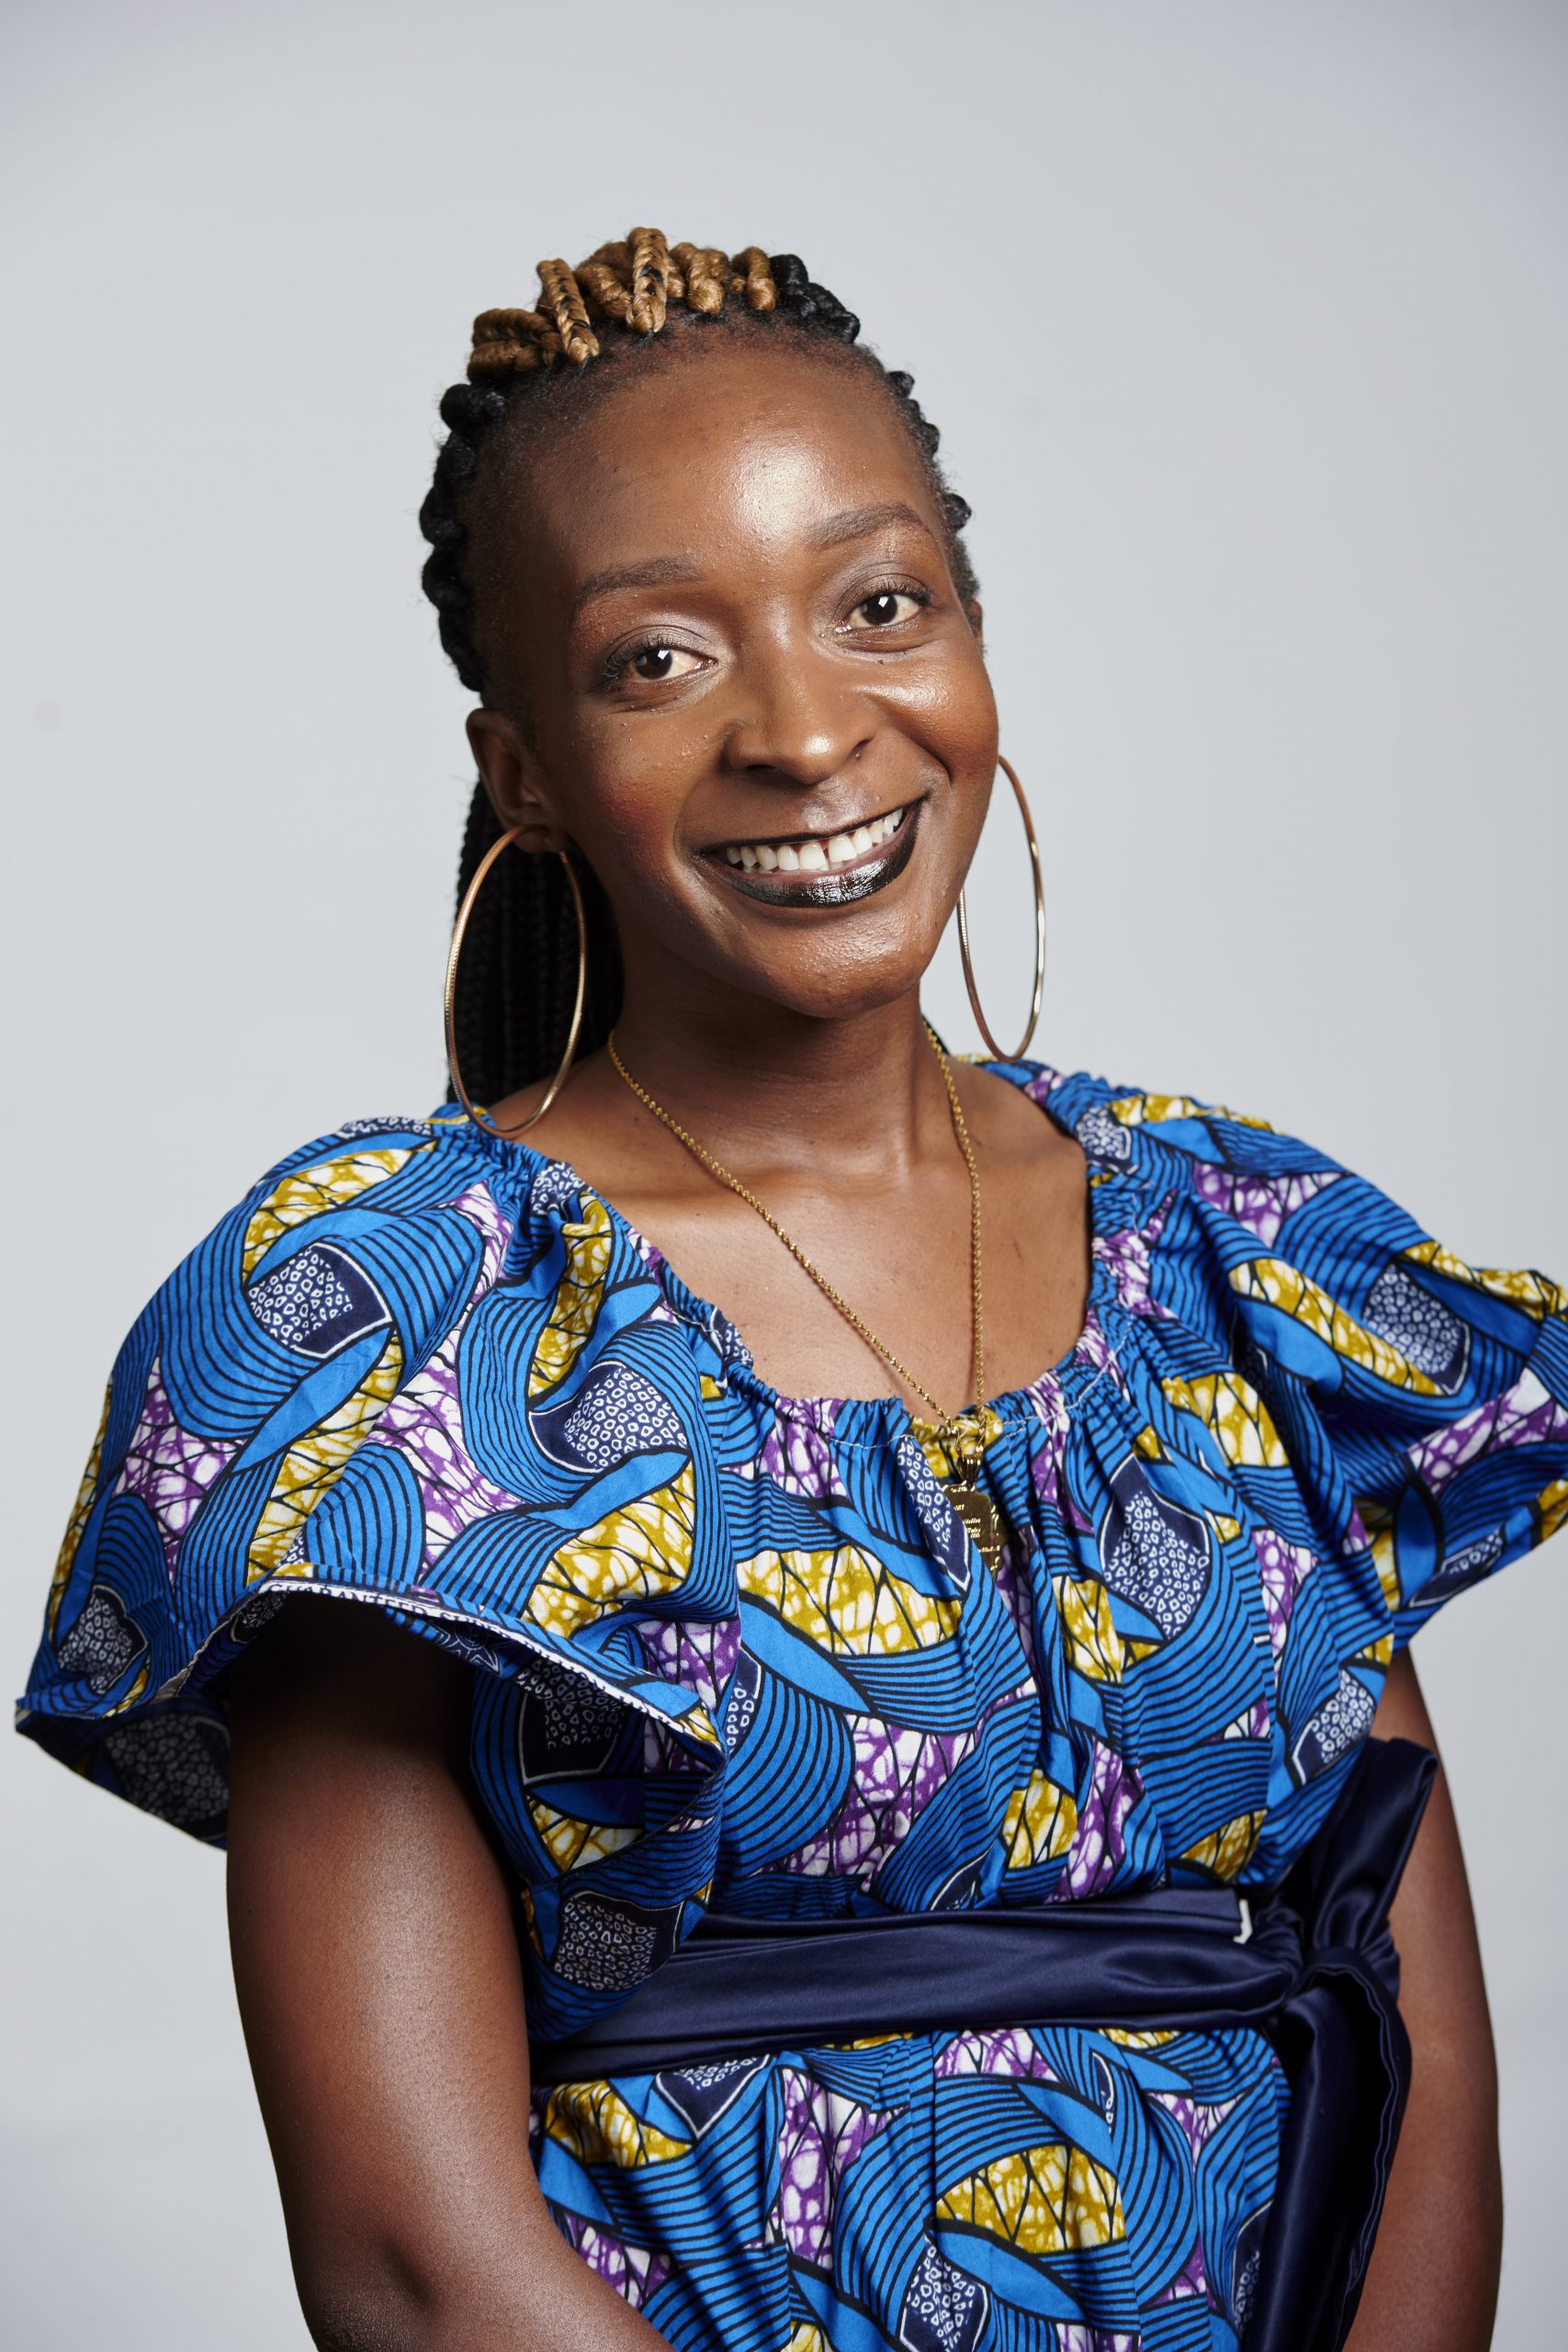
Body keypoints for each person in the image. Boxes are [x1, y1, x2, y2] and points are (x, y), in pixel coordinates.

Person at [17, 229, 1565, 2352]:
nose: (803, 728)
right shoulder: (399, 1321)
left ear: (971, 638)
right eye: (658, 655)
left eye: (876, 603)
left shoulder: (1240, 1253)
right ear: (522, 763)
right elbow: (412, 2259)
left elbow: (1424, 2060)